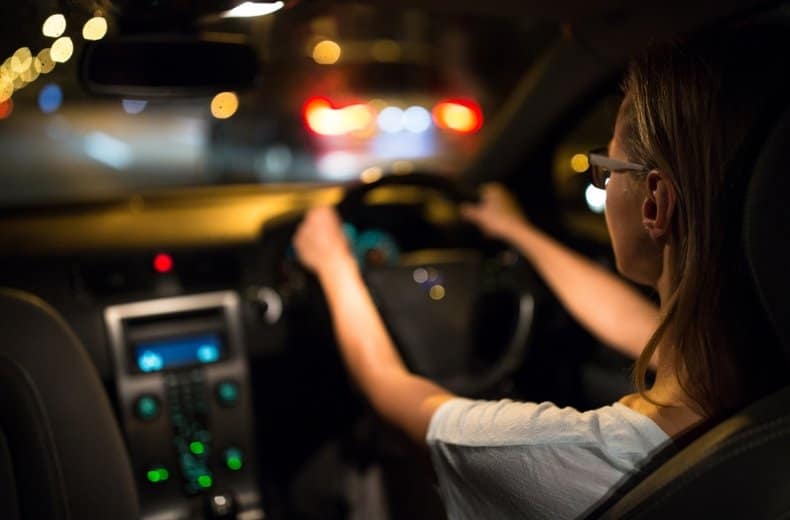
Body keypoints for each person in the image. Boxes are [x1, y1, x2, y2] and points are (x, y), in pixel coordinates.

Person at [293, 25, 790, 519]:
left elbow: (390, 387)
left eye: (607, 167)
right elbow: (633, 325)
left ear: (655, 204)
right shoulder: (760, 387)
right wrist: (518, 232)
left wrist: (334, 265)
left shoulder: (572, 457)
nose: (605, 180)